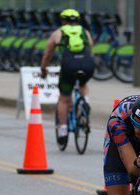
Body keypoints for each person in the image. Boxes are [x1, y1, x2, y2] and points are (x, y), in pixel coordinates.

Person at [41, 8, 95, 144]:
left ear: (63, 21)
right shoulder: (85, 32)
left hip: (69, 66)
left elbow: (47, 54)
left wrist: (43, 69)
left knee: (64, 99)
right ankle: (85, 102)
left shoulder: (58, 33)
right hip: (87, 65)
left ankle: (63, 130)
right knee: (83, 83)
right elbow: (90, 49)